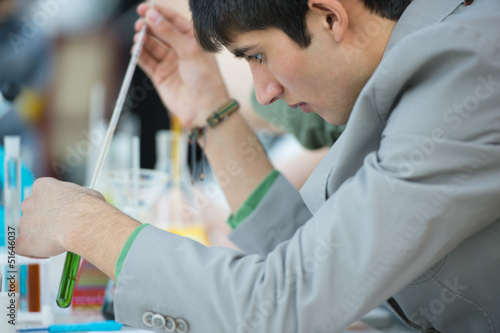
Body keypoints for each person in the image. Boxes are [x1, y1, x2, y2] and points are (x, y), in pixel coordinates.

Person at [17, 0, 500, 332]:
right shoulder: (434, 59)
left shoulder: (469, 69)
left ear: (330, 16)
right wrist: (210, 111)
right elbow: (316, 266)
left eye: (259, 55)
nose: (264, 92)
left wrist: (87, 225)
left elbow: (287, 302)